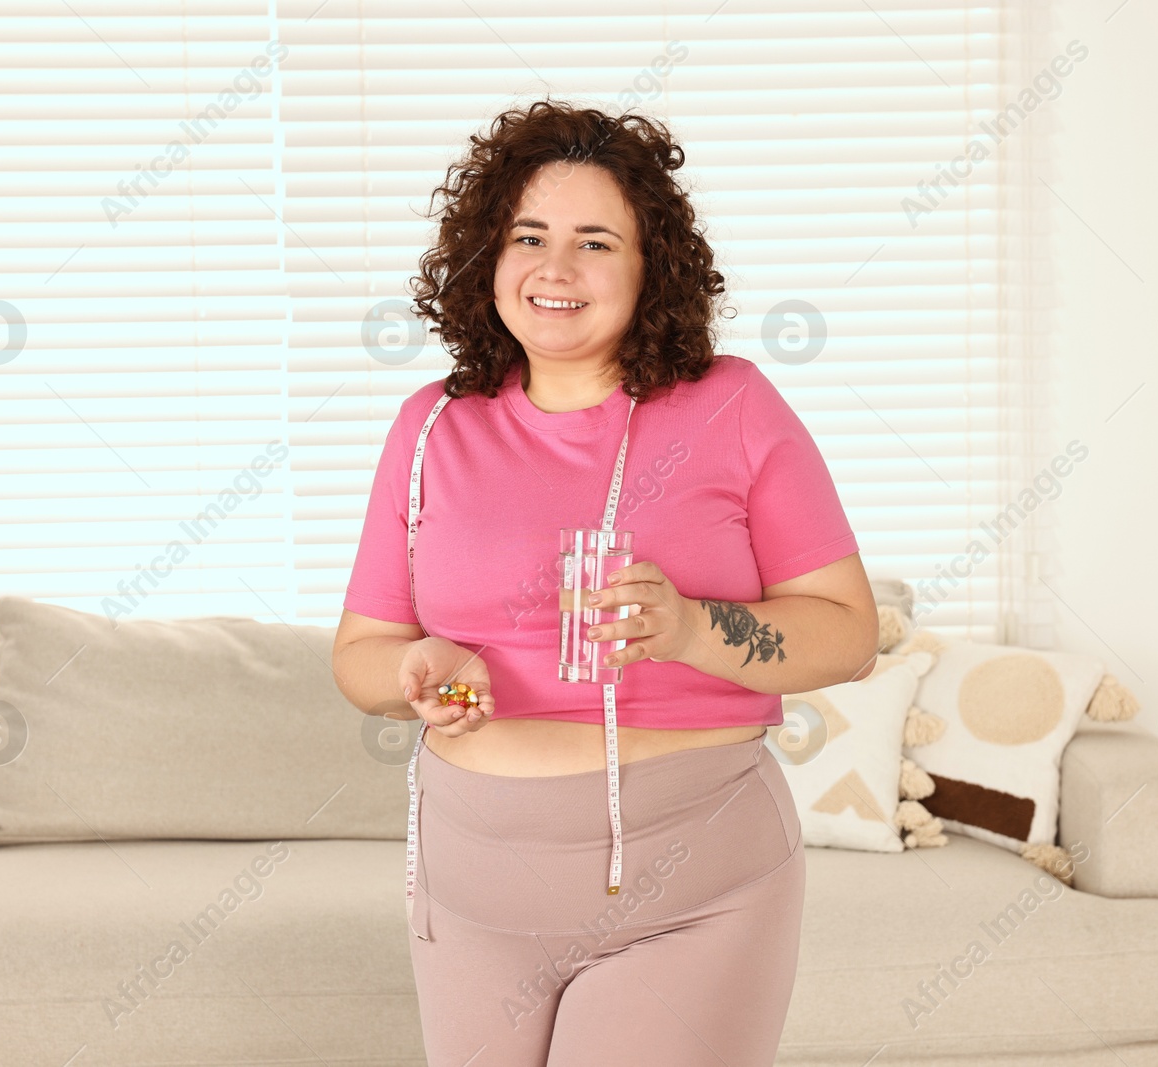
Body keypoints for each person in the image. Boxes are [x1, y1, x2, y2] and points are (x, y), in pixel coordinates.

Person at [331, 99, 880, 1067]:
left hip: (689, 890)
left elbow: (847, 631)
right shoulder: (429, 429)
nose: (555, 267)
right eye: (528, 236)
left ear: (647, 268)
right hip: (469, 895)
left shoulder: (733, 407)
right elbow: (360, 654)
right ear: (486, 257)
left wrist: (689, 627)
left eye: (595, 242)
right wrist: (419, 665)